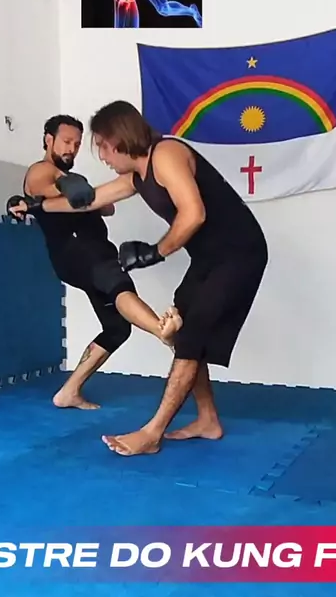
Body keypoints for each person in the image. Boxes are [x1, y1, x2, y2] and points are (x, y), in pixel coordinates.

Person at [16, 102, 268, 455]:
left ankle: (152, 433)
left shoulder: (166, 154)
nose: (101, 156)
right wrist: (35, 206)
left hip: (240, 253)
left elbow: (193, 213)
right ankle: (207, 420)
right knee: (183, 332)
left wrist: (156, 252)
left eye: (102, 146)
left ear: (118, 139)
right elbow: (90, 200)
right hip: (209, 258)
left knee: (191, 335)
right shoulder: (136, 176)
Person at [7, 113, 181, 410]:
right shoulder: (42, 169)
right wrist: (61, 192)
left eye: (76, 144)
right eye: (66, 142)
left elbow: (105, 206)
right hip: (79, 251)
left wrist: (86, 196)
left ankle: (69, 392)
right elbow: (40, 187)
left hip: (86, 254)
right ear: (48, 140)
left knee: (117, 328)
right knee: (117, 281)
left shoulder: (70, 178)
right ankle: (161, 331)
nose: (71, 149)